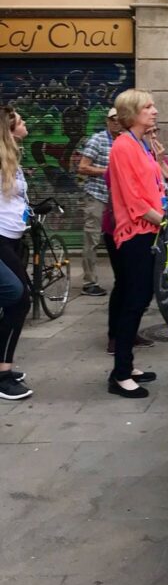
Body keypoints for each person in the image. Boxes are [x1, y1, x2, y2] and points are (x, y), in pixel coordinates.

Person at [107, 89, 165, 399]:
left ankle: (127, 365)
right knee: (134, 300)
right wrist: (164, 221)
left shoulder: (140, 144)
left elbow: (155, 185)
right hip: (136, 235)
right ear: (132, 112)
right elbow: (135, 201)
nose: (154, 111)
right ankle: (119, 375)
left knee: (140, 300)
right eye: (148, 107)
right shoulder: (123, 147)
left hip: (148, 232)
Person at [0, 107, 33, 401]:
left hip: (13, 239)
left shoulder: (13, 159)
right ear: (8, 129)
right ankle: (2, 373)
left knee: (17, 299)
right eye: (21, 121)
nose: (26, 124)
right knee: (19, 298)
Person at [78, 106, 121, 297]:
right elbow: (83, 167)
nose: (116, 122)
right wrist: (107, 171)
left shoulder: (126, 141)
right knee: (92, 238)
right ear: (107, 121)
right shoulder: (97, 140)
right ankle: (89, 282)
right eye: (113, 119)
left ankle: (121, 279)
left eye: (120, 119)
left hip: (117, 200)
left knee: (119, 240)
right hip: (97, 196)